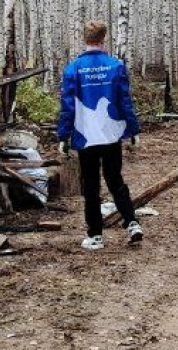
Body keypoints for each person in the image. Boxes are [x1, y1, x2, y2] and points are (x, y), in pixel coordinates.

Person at [55, 20, 144, 251]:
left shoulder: (73, 69)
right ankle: (132, 222)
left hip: (86, 136)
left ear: (85, 39)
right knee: (116, 180)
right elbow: (125, 101)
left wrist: (63, 137)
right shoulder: (115, 66)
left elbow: (67, 107)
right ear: (104, 38)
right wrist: (133, 130)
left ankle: (95, 235)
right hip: (111, 134)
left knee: (91, 185)